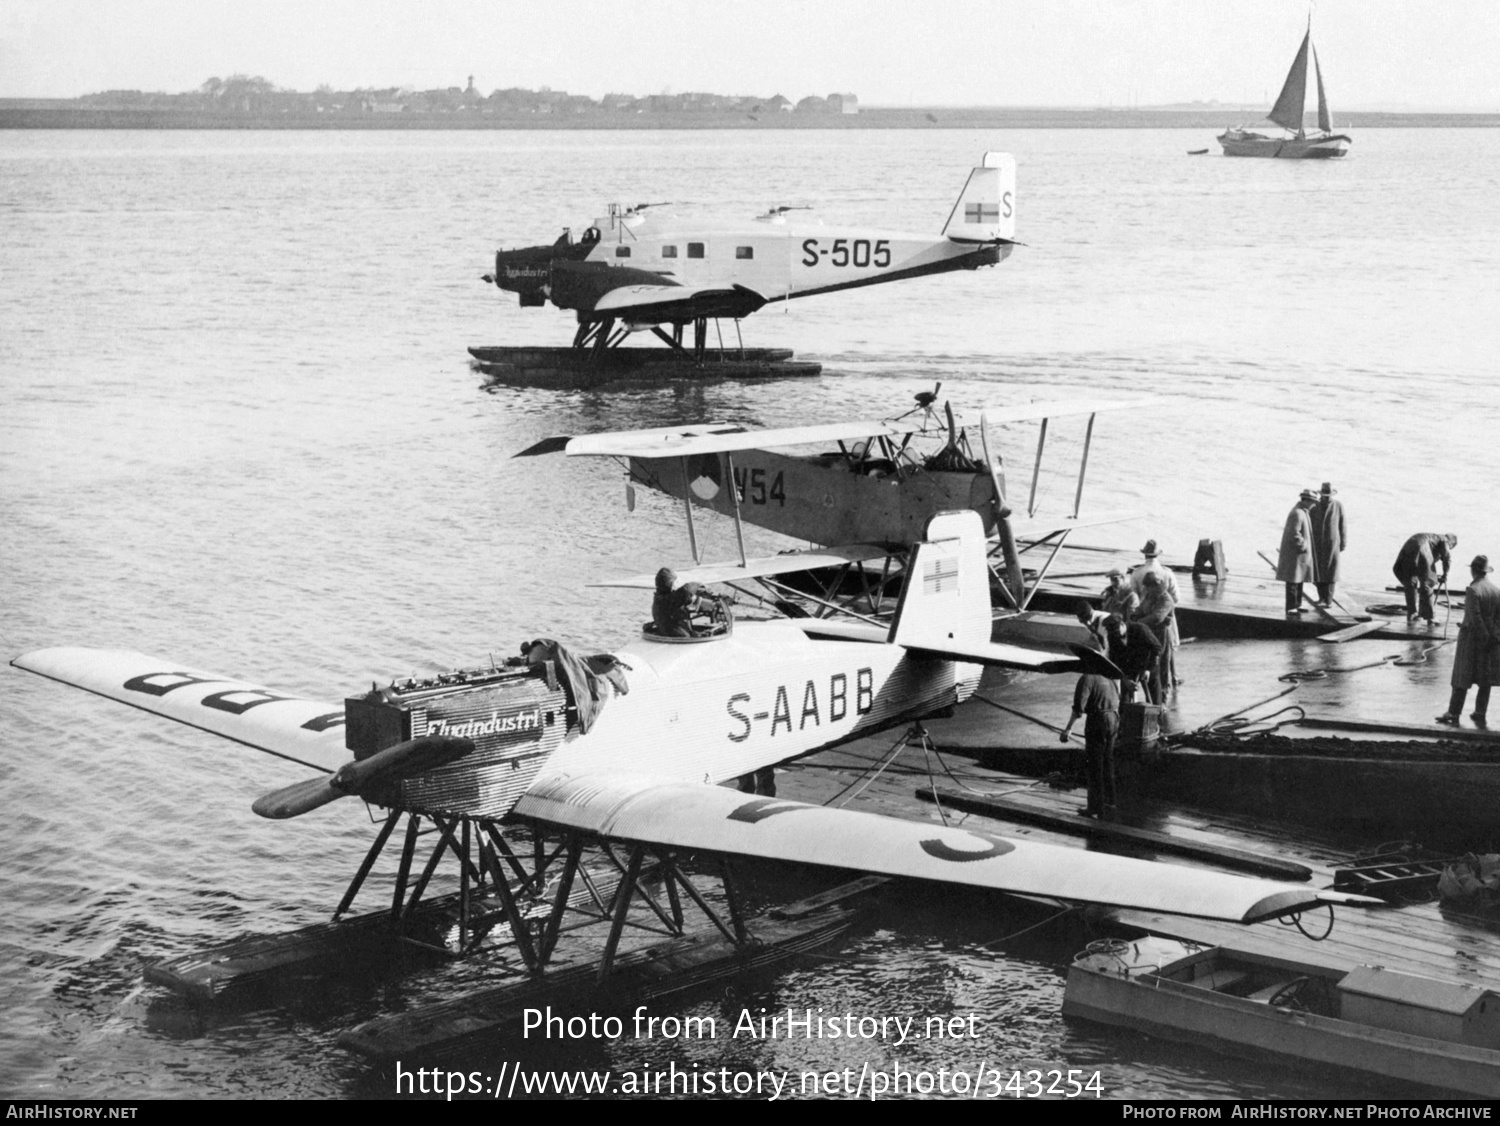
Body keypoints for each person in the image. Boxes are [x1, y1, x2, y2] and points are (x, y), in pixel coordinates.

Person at [1437, 555, 1500, 729]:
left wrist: (1482, 635)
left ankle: (1453, 712)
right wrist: (1493, 636)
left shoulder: (1473, 589)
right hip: (1491, 641)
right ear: (1486, 571)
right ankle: (1480, 712)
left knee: (1461, 676)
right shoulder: (1496, 590)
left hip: (1472, 639)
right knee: (1485, 678)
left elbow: (1475, 617)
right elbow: (1498, 618)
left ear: (1473, 570)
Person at [1059, 672, 1121, 818]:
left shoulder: (1087, 679)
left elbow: (1078, 709)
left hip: (1098, 721)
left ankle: (1094, 807)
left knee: (1094, 764)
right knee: (1108, 761)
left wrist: (1068, 729)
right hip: (1114, 719)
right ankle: (1110, 801)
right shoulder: (1109, 678)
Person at [1130, 541, 1180, 684]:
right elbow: (1177, 596)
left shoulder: (1136, 573)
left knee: (1159, 654)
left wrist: (1137, 618)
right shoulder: (1167, 572)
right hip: (1154, 618)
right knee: (1167, 651)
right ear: (1158, 554)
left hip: (1153, 618)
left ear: (1144, 554)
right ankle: (1172, 677)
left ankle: (1163, 686)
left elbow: (1134, 597)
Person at [1131, 570, 1176, 703]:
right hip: (1147, 633)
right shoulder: (1149, 596)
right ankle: (1151, 697)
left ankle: (1162, 698)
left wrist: (1138, 623)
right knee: (1147, 664)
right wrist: (1134, 616)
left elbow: (1157, 617)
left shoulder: (1166, 599)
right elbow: (1141, 608)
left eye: (1149, 586)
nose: (1147, 589)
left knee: (1161, 666)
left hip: (1161, 634)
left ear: (1157, 585)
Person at [1393, 532, 1457, 624]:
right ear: (1451, 544)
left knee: (1410, 580)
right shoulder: (1445, 540)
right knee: (1428, 583)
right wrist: (1445, 575)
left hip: (1410, 545)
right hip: (1422, 547)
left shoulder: (1433, 538)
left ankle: (1412, 612)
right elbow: (1447, 557)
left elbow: (1423, 566)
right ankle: (1431, 617)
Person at [1102, 614, 1163, 706]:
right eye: (1113, 633)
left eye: (1117, 631)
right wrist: (1124, 678)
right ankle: (1125, 718)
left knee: (1155, 701)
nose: (1116, 635)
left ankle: (1158, 718)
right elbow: (1114, 659)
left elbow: (1157, 648)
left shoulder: (1141, 629)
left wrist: (1148, 669)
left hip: (1149, 665)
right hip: (1129, 669)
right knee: (1124, 701)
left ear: (1122, 624)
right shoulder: (1112, 636)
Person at [1276, 490, 1318, 614]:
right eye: (1312, 502)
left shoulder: (1302, 511)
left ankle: (1297, 604)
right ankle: (1291, 607)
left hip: (1298, 554)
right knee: (1293, 580)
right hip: (1294, 554)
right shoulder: (1297, 513)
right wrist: (1303, 546)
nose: (1314, 505)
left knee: (1298, 579)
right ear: (1306, 501)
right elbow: (1294, 533)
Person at [651, 567, 721, 637]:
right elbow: (685, 592)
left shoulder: (663, 598)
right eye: (673, 583)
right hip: (677, 638)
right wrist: (698, 584)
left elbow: (687, 597)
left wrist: (713, 602)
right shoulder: (665, 600)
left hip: (676, 633)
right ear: (669, 583)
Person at [1309, 482, 1348, 607]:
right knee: (1318, 572)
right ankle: (1321, 598)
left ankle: (1329, 600)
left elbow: (1343, 525)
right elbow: (1309, 524)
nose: (1327, 497)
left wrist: (1343, 543)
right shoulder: (1315, 506)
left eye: (1329, 495)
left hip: (1332, 544)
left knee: (1331, 573)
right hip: (1317, 544)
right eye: (1325, 495)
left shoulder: (1338, 505)